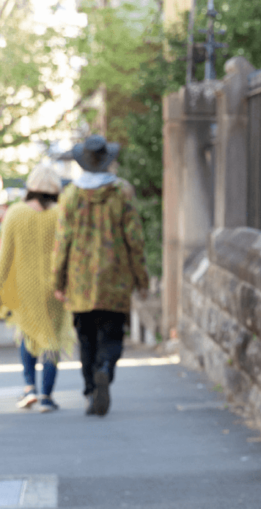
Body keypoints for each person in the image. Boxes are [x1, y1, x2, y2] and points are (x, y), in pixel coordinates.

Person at [52, 134, 149, 417]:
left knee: (86, 339)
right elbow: (135, 239)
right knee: (112, 334)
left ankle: (90, 390)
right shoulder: (122, 193)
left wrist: (57, 281)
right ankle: (105, 368)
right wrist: (141, 278)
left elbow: (62, 242)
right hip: (115, 279)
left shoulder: (70, 196)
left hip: (79, 281)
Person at [0, 165, 76, 413]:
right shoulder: (60, 215)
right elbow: (68, 254)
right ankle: (46, 395)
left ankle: (29, 387)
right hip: (53, 288)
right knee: (52, 339)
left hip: (24, 289)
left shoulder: (15, 213)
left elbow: (5, 256)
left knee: (28, 334)